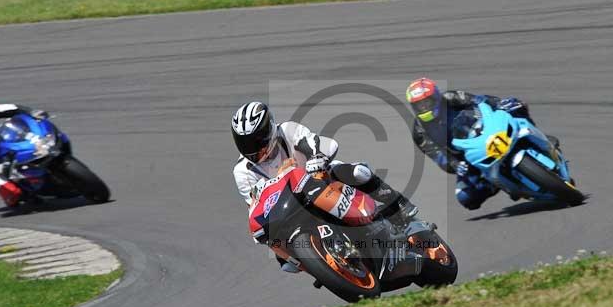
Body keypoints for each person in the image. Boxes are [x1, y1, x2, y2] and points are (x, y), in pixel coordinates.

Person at [231, 101, 418, 272]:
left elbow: (312, 142)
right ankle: (324, 263)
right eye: (244, 142)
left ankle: (398, 205)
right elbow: (255, 204)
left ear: (269, 129)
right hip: (289, 207)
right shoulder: (242, 172)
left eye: (257, 140)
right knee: (281, 255)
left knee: (359, 172)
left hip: (319, 177)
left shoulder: (287, 130)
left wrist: (316, 157)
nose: (253, 148)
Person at [406, 77, 556, 210]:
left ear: (436, 97)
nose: (424, 107)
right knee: (465, 198)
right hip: (465, 156)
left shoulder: (450, 97)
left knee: (517, 105)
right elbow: (437, 156)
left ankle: (540, 140)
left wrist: (499, 103)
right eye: (419, 105)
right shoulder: (420, 133)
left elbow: (478, 100)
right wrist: (455, 165)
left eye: (427, 102)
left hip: (486, 128)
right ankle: (494, 184)